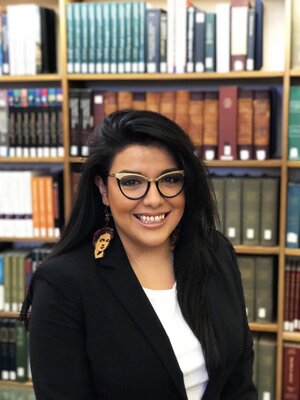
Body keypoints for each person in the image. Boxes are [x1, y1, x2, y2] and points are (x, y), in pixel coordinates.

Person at [20, 109, 257, 400]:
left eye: (169, 179)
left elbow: (240, 383)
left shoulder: (215, 252)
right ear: (103, 189)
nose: (154, 199)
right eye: (132, 182)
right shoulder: (63, 283)